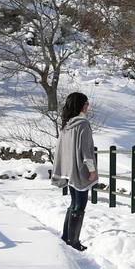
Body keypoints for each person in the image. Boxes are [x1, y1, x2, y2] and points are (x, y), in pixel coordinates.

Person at [53, 92, 97, 251]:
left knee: (74, 203)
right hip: (80, 171)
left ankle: (67, 237)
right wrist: (91, 170)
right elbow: (86, 151)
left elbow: (61, 149)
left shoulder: (67, 124)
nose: (88, 106)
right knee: (80, 205)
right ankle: (74, 241)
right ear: (80, 105)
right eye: (86, 103)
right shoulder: (82, 124)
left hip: (69, 171)